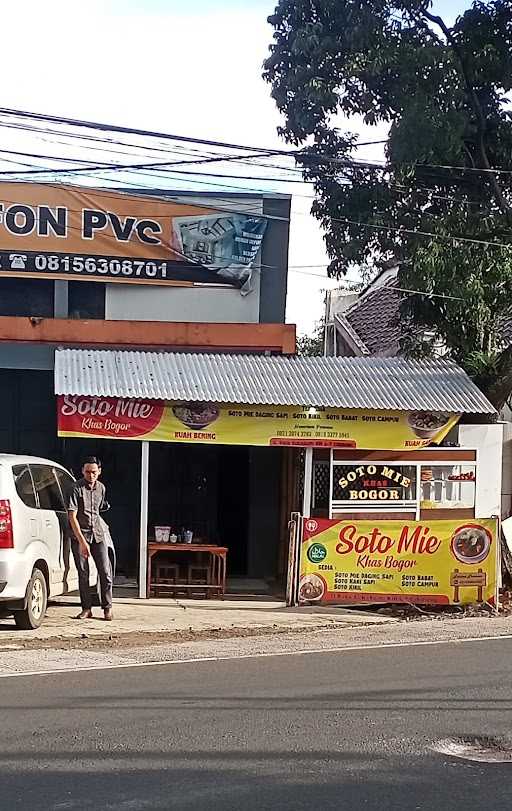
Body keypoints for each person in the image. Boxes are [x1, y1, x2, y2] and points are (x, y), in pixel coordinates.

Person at [68, 457, 114, 621]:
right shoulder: (75, 488)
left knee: (105, 572)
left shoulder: (101, 488)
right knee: (83, 574)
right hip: (81, 535)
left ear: (99, 472)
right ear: (82, 471)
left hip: (98, 534)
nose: (91, 475)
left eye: (94, 472)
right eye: (87, 472)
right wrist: (82, 542)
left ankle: (107, 607)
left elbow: (100, 510)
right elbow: (72, 517)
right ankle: (86, 608)